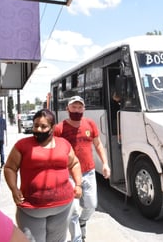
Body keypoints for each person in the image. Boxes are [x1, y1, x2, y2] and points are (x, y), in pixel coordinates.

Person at [4, 109, 83, 242]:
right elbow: (10, 168)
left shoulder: (64, 144)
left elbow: (74, 163)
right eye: (36, 126)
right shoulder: (22, 145)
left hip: (62, 208)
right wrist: (14, 188)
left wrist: (79, 184)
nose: (39, 129)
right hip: (31, 209)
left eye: (43, 126)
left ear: (53, 127)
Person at [54, 95, 111, 242]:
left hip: (88, 172)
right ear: (67, 109)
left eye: (80, 107)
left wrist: (105, 163)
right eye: (74, 107)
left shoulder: (90, 124)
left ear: (84, 109)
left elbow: (98, 145)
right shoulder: (59, 129)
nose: (77, 110)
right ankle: (77, 239)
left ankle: (83, 221)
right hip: (69, 174)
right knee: (72, 210)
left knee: (91, 205)